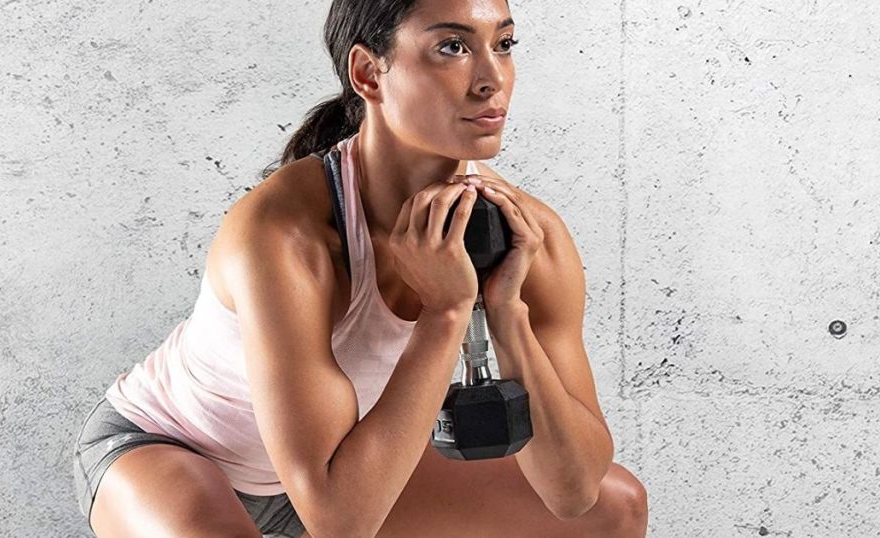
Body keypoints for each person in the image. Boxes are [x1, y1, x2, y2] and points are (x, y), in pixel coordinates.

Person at [71, 0, 649, 536]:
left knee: (615, 507)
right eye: (452, 46)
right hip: (173, 450)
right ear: (370, 74)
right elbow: (339, 522)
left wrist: (505, 312)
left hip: (334, 465)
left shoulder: (529, 234)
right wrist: (446, 312)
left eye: (503, 44)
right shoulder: (283, 235)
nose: (491, 80)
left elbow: (573, 492)